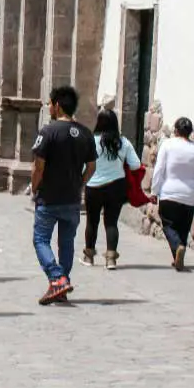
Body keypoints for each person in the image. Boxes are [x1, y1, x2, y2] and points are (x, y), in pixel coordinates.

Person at [31, 85, 97, 305]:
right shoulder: (86, 133)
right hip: (72, 199)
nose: (49, 107)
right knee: (66, 242)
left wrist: (34, 186)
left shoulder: (48, 132)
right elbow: (91, 166)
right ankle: (63, 282)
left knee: (40, 239)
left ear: (57, 105)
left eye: (50, 103)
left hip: (49, 197)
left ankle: (56, 277)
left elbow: (38, 166)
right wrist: (80, 183)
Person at [84, 109, 141, 270]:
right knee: (111, 223)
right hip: (116, 186)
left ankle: (89, 257)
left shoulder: (90, 141)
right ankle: (111, 260)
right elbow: (136, 165)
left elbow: (83, 164)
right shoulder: (123, 142)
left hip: (93, 186)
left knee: (92, 221)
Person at [150, 117, 194, 271]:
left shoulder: (167, 145)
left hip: (169, 193)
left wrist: (154, 191)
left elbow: (159, 170)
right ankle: (178, 255)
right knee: (183, 227)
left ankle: (178, 248)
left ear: (175, 130)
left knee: (168, 225)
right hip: (190, 196)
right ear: (190, 132)